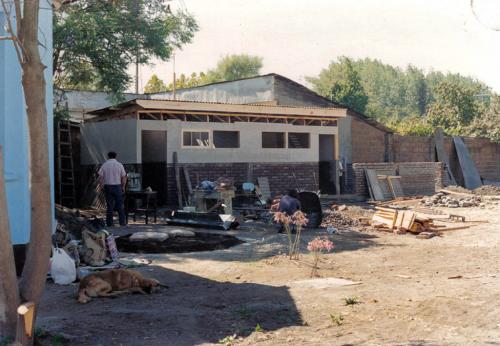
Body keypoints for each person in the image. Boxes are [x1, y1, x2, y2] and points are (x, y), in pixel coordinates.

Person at [98, 152, 127, 227]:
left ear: (108, 156)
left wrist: (101, 186)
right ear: (115, 156)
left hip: (108, 187)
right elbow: (123, 177)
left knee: (109, 205)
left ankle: (110, 223)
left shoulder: (105, 165)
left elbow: (101, 177)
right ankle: (122, 222)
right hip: (117, 186)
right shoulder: (119, 165)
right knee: (120, 205)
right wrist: (123, 187)